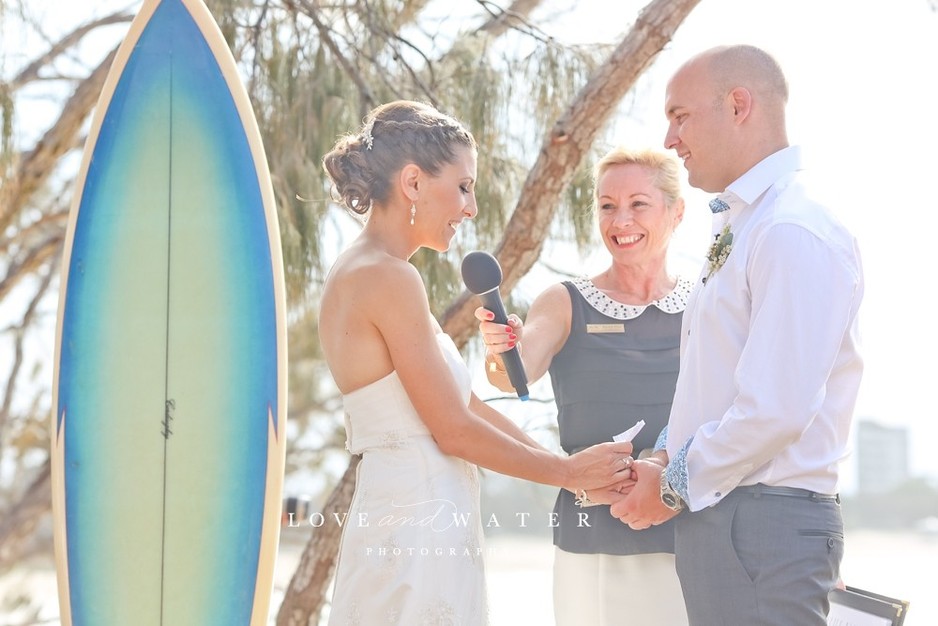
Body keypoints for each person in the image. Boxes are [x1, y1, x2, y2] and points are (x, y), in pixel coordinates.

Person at [318, 100, 634, 625]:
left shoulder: (374, 270)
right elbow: (453, 430)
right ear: (414, 182)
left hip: (417, 513)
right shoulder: (387, 277)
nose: (472, 208)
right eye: (464, 187)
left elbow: (463, 404)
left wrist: (573, 472)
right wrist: (565, 473)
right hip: (415, 525)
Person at [610, 45, 864, 626]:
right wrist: (659, 462)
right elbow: (713, 387)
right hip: (731, 518)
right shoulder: (747, 225)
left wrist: (670, 487)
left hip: (763, 526)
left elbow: (774, 409)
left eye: (680, 115)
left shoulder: (792, 230)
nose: (670, 139)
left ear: (739, 105)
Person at [476, 147, 690, 625]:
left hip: (691, 532)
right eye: (607, 205)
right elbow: (514, 373)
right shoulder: (566, 300)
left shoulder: (707, 304)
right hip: (595, 538)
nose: (621, 220)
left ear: (677, 212)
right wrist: (499, 348)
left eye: (638, 203)